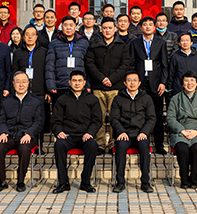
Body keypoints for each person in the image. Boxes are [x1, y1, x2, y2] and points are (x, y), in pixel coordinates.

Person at [51, 71, 102, 194]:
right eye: (74, 80)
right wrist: (59, 132)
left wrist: (90, 132)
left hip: (85, 136)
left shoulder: (92, 99)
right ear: (69, 82)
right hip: (68, 136)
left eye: (80, 80)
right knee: (59, 145)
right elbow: (55, 121)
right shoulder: (62, 99)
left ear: (84, 82)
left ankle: (85, 182)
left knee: (92, 145)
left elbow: (97, 120)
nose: (77, 83)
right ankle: (63, 182)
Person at [0, 72, 44, 192]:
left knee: (24, 149)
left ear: (28, 83)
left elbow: (39, 122)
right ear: (13, 84)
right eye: (18, 82)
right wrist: (3, 132)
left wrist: (29, 133)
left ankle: (20, 181)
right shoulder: (5, 101)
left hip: (26, 135)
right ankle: (2, 181)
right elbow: (0, 120)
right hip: (9, 135)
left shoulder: (36, 101)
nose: (21, 85)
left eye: (24, 82)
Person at [85, 17, 131, 154]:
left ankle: (112, 144)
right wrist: (102, 78)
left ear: (115, 29)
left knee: (114, 117)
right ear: (101, 29)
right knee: (98, 116)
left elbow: (125, 64)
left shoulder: (122, 46)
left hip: (116, 87)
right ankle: (100, 144)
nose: (107, 30)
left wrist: (112, 79)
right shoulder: (94, 44)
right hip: (98, 87)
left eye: (110, 28)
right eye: (104, 28)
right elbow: (90, 64)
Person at [110, 71, 156, 193]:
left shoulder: (146, 98)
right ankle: (120, 182)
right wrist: (121, 132)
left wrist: (144, 132)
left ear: (139, 83)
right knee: (120, 147)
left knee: (144, 146)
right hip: (124, 133)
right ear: (125, 83)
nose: (132, 83)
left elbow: (151, 118)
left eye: (135, 80)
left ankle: (145, 182)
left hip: (140, 133)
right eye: (129, 80)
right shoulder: (118, 99)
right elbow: (114, 118)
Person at [166, 71, 197, 189]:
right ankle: (184, 178)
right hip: (180, 131)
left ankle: (194, 177)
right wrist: (182, 130)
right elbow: (170, 118)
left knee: (196, 149)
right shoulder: (176, 99)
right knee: (182, 148)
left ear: (196, 83)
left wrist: (196, 131)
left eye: (192, 81)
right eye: (186, 81)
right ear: (182, 83)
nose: (189, 83)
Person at [129, 16, 168, 154]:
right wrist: (133, 82)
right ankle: (140, 142)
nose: (147, 27)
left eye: (150, 24)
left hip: (156, 84)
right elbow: (131, 64)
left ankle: (159, 145)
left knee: (157, 115)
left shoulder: (161, 42)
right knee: (139, 113)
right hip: (139, 83)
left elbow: (164, 64)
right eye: (144, 24)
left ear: (154, 26)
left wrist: (163, 82)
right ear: (141, 28)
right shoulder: (134, 43)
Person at [11, 25, 50, 147]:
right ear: (23, 37)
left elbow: (47, 72)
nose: (30, 37)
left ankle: (39, 145)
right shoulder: (18, 53)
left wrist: (47, 90)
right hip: (23, 91)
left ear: (36, 36)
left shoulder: (44, 52)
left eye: (32, 34)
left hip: (39, 90)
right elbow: (14, 72)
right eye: (27, 34)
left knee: (39, 119)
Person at [45, 16, 90, 103]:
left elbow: (88, 66)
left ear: (75, 27)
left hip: (79, 86)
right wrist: (51, 85)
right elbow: (49, 66)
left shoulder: (84, 43)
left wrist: (88, 85)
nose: (68, 28)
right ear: (62, 27)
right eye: (65, 25)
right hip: (60, 86)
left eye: (71, 25)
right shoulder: (54, 44)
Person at [167, 33, 197, 98]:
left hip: (195, 91)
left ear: (191, 42)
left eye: (187, 40)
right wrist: (170, 92)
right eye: (182, 40)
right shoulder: (175, 57)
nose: (185, 42)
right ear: (179, 43)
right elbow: (171, 75)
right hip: (179, 91)